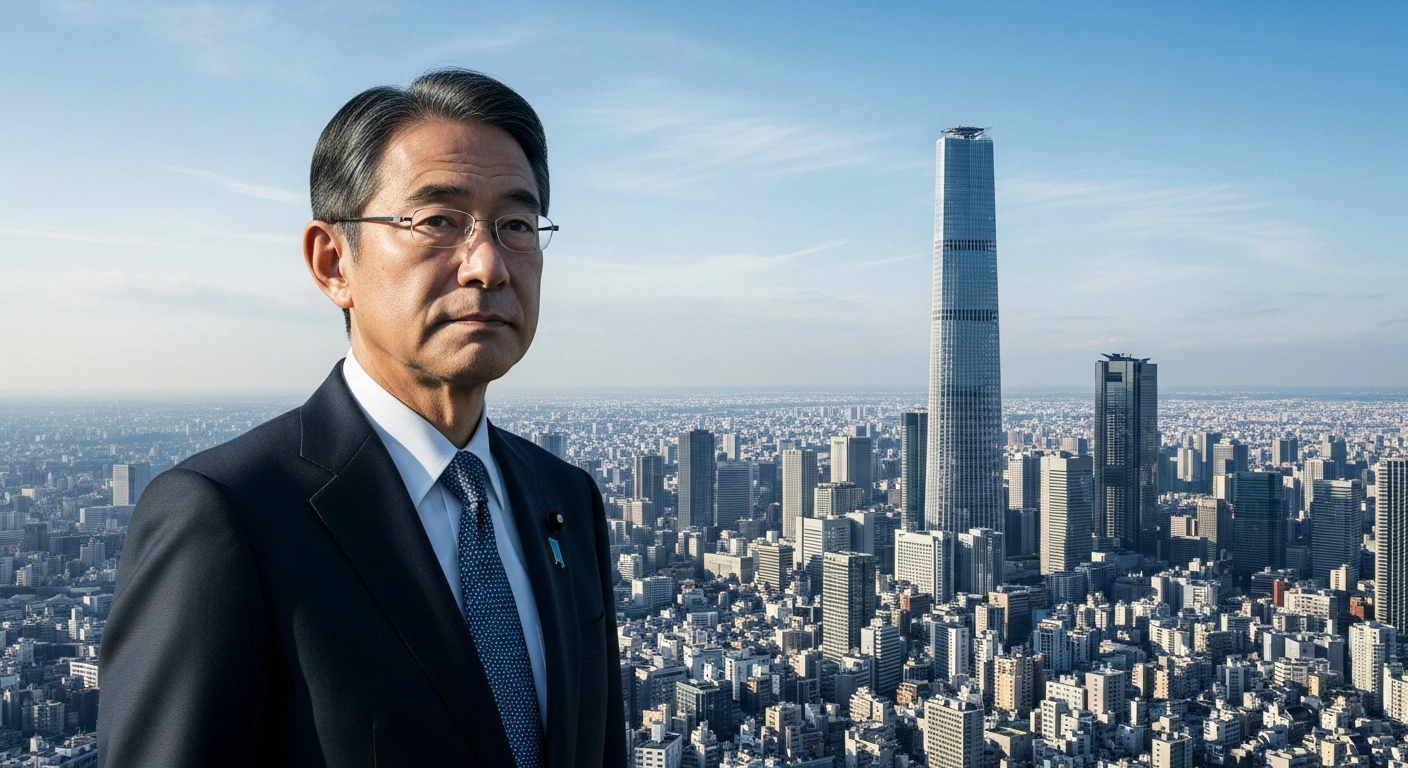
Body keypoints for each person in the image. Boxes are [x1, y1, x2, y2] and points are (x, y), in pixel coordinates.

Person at [97, 68, 627, 768]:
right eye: (439, 220)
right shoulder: (231, 518)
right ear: (332, 262)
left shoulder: (565, 499)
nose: (489, 265)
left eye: (517, 224)